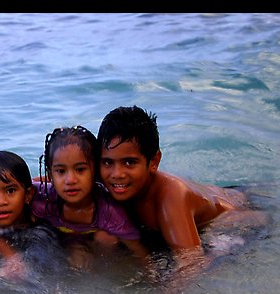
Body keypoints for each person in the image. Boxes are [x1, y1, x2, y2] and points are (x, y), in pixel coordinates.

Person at [96, 105, 268, 268]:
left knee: (212, 258)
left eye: (129, 162)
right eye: (108, 162)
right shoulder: (105, 184)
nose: (117, 173)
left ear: (154, 161)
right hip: (209, 199)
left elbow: (192, 265)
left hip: (234, 218)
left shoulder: (171, 196)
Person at [33, 126, 149, 267]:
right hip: (60, 239)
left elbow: (138, 250)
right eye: (61, 171)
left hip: (95, 245)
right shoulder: (42, 198)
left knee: (106, 239)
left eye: (80, 169)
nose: (70, 180)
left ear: (95, 171)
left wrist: (154, 279)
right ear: (50, 175)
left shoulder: (109, 212)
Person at [0, 150, 65, 279]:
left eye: (10, 190)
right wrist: (8, 252)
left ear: (28, 195)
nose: (0, 202)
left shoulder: (39, 229)